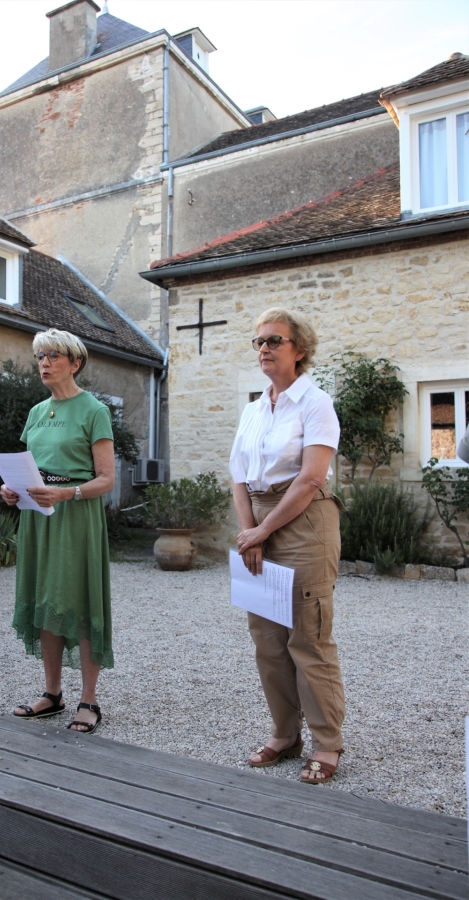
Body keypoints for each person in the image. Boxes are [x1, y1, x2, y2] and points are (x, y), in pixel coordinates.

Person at [230, 308, 346, 784]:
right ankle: (284, 733)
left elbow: (311, 477)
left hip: (304, 523)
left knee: (307, 637)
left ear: (300, 349)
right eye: (258, 342)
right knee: (267, 639)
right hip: (259, 520)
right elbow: (238, 474)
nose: (263, 349)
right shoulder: (254, 408)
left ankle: (326, 742)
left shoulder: (315, 403)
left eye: (274, 340)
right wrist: (248, 531)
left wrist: (264, 530)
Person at [1, 328, 115, 734]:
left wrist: (66, 493)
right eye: (40, 357)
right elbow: (28, 466)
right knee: (45, 599)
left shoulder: (93, 410)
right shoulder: (35, 412)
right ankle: (52, 694)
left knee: (79, 601)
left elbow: (106, 480)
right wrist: (10, 490)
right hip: (36, 517)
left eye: (53, 356)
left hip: (75, 517)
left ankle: (89, 700)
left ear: (75, 362)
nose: (44, 364)